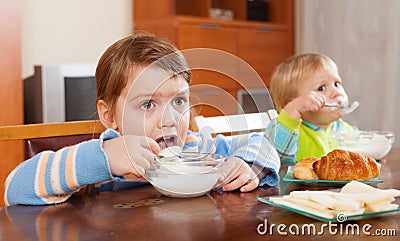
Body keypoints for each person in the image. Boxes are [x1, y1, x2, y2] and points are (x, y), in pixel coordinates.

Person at [5, 33, 280, 205]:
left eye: (179, 101)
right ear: (109, 116)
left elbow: (263, 144)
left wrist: (247, 163)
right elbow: (14, 188)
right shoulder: (102, 162)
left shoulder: (197, 150)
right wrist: (102, 159)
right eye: (148, 104)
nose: (169, 119)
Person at [264, 53, 357, 164]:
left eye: (337, 84)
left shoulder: (343, 129)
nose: (336, 93)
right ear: (292, 103)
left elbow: (362, 152)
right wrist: (292, 110)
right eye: (321, 88)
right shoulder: (290, 134)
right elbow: (273, 157)